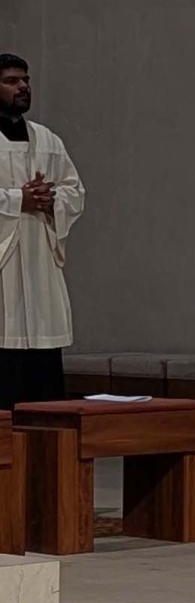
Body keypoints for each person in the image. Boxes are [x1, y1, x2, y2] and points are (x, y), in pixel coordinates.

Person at [0, 54, 85, 409]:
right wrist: (19, 199)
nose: (23, 87)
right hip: (5, 269)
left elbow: (74, 190)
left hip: (40, 271)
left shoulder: (47, 140)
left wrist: (51, 199)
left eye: (26, 80)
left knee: (44, 379)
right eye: (12, 81)